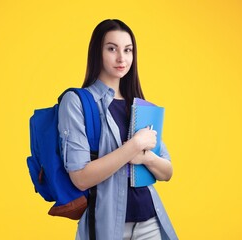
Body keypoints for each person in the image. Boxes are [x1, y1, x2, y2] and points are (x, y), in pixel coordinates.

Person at [58, 19, 178, 240]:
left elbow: (167, 172)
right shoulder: (76, 102)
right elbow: (81, 178)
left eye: (128, 50)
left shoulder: (140, 105)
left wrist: (147, 159)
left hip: (150, 221)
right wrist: (135, 146)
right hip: (107, 226)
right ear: (97, 52)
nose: (122, 58)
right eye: (112, 48)